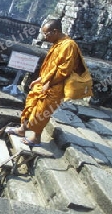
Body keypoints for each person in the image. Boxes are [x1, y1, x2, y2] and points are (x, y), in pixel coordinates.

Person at [6, 19, 83, 147]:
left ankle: (36, 138)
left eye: (47, 34)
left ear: (55, 31)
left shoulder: (69, 45)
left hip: (56, 86)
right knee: (30, 105)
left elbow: (64, 70)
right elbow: (51, 66)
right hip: (45, 82)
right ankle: (22, 130)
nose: (45, 37)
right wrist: (40, 79)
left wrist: (48, 83)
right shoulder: (58, 43)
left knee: (41, 111)